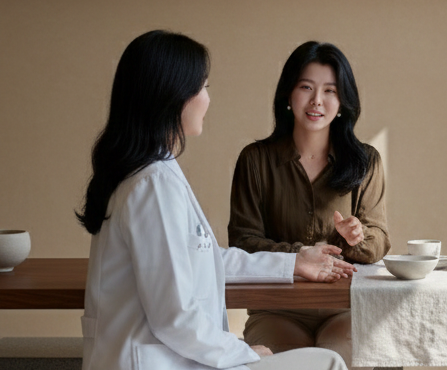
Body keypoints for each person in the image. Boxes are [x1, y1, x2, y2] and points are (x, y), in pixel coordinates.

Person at [75, 30, 355, 370]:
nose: (207, 99)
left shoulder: (148, 173)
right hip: (155, 360)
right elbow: (174, 318)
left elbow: (202, 261)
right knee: (328, 363)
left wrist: (293, 262)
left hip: (163, 356)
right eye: (203, 87)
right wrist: (245, 352)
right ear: (174, 96)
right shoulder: (152, 185)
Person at [228, 41, 391, 368]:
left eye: (330, 90)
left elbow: (380, 240)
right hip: (276, 309)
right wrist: (299, 257)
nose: (317, 100)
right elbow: (243, 243)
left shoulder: (366, 162)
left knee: (344, 357)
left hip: (345, 306)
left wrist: (354, 237)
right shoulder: (255, 160)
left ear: (342, 100)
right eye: (306, 87)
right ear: (289, 94)